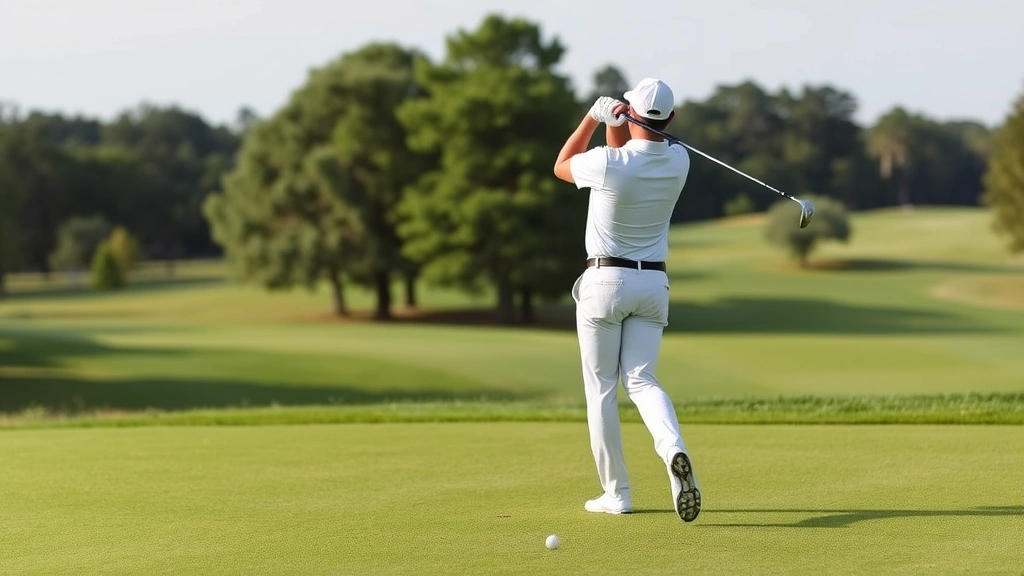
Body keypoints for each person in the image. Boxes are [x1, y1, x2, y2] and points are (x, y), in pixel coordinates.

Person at [552, 78, 700, 522]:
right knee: (642, 380)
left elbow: (562, 164)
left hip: (604, 284)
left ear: (632, 112)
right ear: (671, 119)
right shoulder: (680, 160)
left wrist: (592, 119)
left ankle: (618, 493)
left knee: (601, 390)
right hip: (653, 286)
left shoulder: (608, 164)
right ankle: (673, 448)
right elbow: (627, 154)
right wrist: (620, 123)